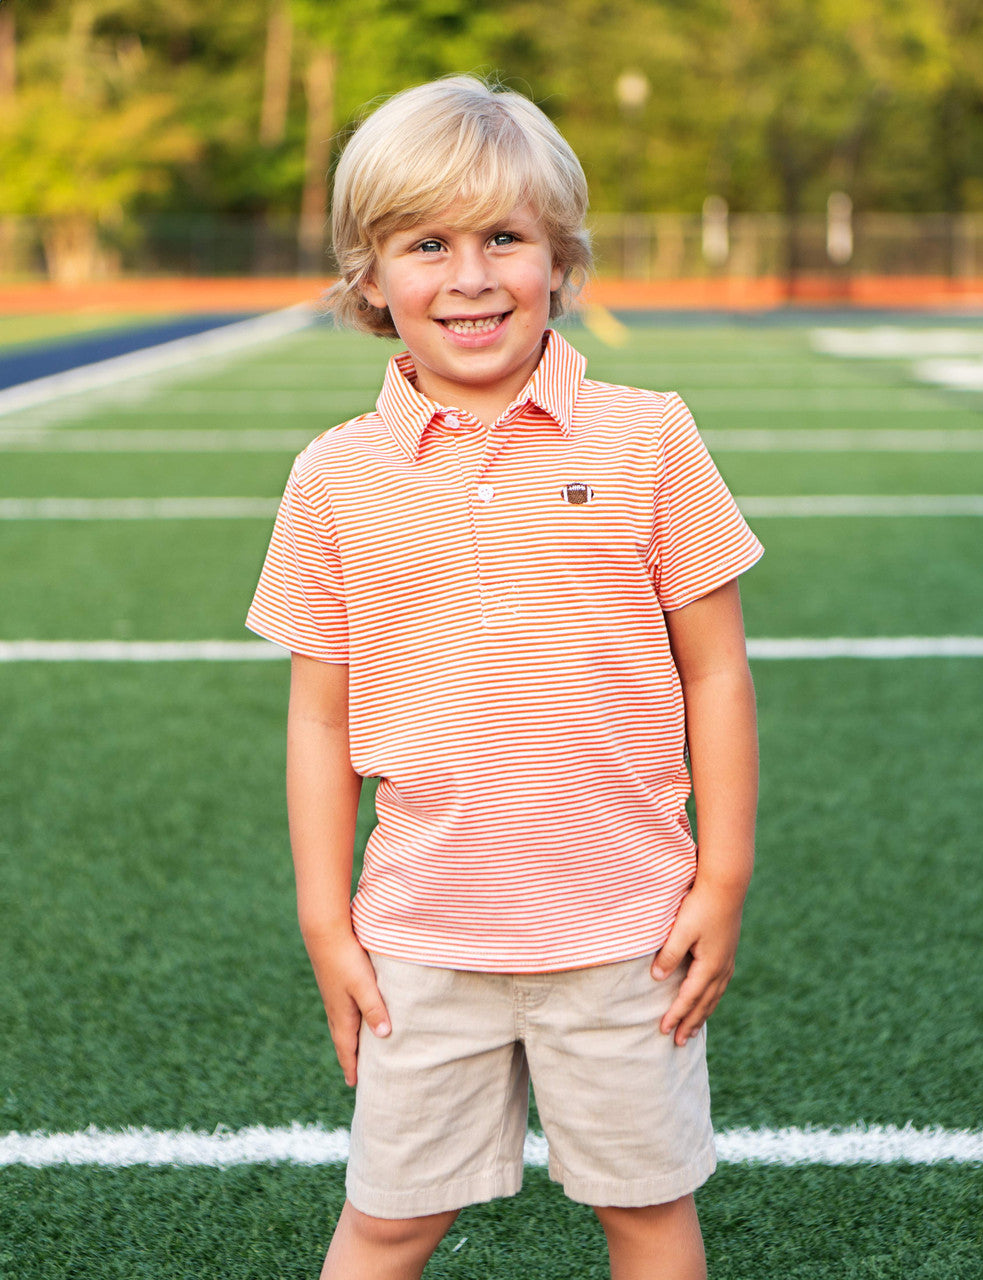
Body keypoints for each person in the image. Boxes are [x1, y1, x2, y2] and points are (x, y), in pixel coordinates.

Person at [247, 74, 763, 1280]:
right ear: (371, 275)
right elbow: (319, 719)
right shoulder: (332, 475)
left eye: (504, 238)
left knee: (644, 1210)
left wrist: (722, 874)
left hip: (626, 927)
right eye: (426, 243)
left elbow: (719, 672)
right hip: (421, 935)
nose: (469, 275)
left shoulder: (649, 434)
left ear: (560, 261)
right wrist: (328, 918)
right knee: (388, 1218)